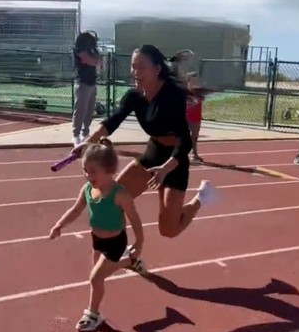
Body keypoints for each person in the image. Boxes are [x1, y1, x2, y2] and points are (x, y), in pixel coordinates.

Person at [72, 44, 218, 239]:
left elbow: (185, 141)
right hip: (153, 153)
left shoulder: (171, 96)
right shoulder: (134, 96)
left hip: (174, 161)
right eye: (133, 66)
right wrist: (89, 142)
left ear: (157, 69)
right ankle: (122, 253)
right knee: (113, 201)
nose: (135, 72)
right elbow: (113, 121)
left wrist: (165, 169)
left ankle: (201, 198)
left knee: (168, 230)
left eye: (141, 67)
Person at [48, 138, 146, 332]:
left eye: (93, 171)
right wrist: (60, 225)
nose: (88, 175)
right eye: (85, 170)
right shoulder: (86, 190)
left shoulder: (119, 193)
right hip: (97, 240)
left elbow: (134, 217)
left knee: (95, 278)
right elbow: (76, 210)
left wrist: (140, 241)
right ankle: (131, 262)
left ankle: (93, 314)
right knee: (99, 276)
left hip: (116, 242)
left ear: (109, 170)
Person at [72, 30, 103, 145]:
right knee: (80, 110)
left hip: (92, 82)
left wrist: (97, 59)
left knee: (90, 110)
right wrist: (96, 59)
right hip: (82, 83)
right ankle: (76, 134)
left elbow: (99, 61)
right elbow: (89, 61)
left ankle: (86, 132)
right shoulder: (79, 50)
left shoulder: (92, 51)